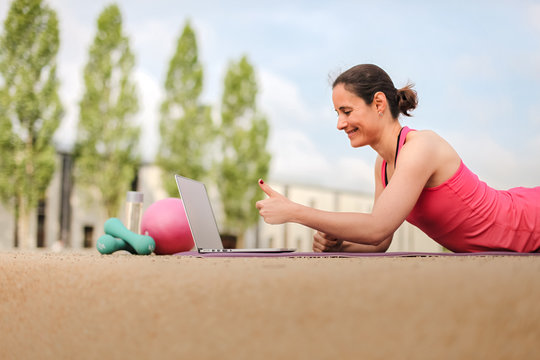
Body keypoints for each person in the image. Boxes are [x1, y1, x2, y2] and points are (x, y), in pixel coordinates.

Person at [255, 64, 540, 253]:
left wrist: (294, 212)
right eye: (337, 114)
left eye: (347, 111)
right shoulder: (383, 164)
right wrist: (340, 245)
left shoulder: (420, 147)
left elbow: (377, 226)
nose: (340, 124)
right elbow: (380, 241)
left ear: (378, 103)